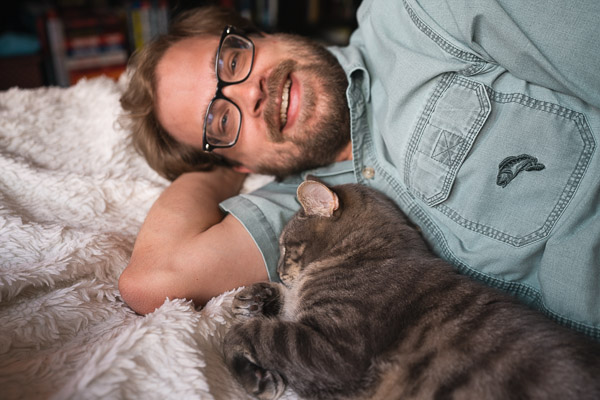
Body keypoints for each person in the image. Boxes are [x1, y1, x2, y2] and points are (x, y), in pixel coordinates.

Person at [118, 0, 600, 340]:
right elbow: (154, 279)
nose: (250, 92)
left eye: (233, 59)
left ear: (262, 35)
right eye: (221, 118)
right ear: (238, 163)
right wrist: (227, 165)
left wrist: (227, 137)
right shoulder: (301, 219)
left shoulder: (415, 16)